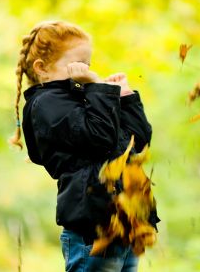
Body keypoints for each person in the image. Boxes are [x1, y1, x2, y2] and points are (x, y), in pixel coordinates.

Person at [9, 20, 157, 272]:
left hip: (124, 226)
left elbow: (138, 141)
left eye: (87, 64)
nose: (84, 70)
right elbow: (100, 138)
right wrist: (97, 88)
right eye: (76, 64)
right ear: (42, 68)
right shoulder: (46, 104)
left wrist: (124, 97)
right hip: (93, 229)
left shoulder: (86, 98)